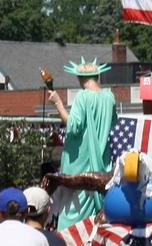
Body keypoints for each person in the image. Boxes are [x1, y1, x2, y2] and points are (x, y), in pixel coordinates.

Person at [49, 57, 118, 231]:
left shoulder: (82, 97)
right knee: (97, 216)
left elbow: (73, 126)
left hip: (79, 164)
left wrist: (58, 102)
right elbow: (113, 122)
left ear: (80, 78)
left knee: (71, 216)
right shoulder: (109, 97)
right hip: (102, 163)